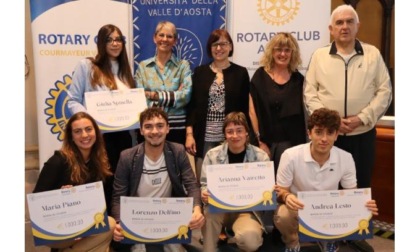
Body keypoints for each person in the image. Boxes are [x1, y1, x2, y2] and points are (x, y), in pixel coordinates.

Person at [303, 5, 392, 251]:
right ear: (331, 29)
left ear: (357, 26)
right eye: (339, 23)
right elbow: (310, 94)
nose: (344, 27)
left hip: (362, 134)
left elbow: (384, 92)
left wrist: (363, 118)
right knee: (326, 183)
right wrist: (331, 121)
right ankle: (325, 233)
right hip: (328, 137)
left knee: (360, 183)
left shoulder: (372, 54)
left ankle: (356, 234)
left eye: (349, 22)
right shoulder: (319, 56)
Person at [272, 108, 379, 252]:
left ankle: (327, 239)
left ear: (336, 135)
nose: (324, 139)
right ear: (309, 133)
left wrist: (363, 205)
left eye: (330, 133)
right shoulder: (290, 155)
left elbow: (350, 195)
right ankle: (292, 242)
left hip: (329, 210)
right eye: (318, 132)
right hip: (299, 207)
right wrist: (286, 196)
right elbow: (280, 191)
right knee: (282, 214)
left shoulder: (346, 158)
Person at [111, 107, 205, 252]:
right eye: (148, 127)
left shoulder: (178, 151)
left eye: (160, 126)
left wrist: (197, 210)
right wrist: (118, 222)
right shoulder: (127, 157)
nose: (154, 131)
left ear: (168, 128)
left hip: (169, 216)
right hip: (139, 217)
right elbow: (118, 197)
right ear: (141, 130)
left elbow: (192, 185)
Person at [33, 112, 116, 252]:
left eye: (88, 129)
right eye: (78, 131)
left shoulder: (99, 161)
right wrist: (59, 196)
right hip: (59, 230)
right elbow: (37, 200)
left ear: (96, 131)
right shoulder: (57, 161)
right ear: (71, 137)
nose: (84, 135)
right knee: (109, 226)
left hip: (85, 226)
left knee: (109, 228)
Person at [67, 24, 136, 175]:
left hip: (125, 138)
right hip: (100, 137)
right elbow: (72, 101)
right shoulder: (87, 66)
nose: (115, 43)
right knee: (103, 184)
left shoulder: (126, 71)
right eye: (109, 40)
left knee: (123, 184)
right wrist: (90, 123)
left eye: (118, 39)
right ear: (101, 43)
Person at [186, 29, 252, 183]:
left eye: (223, 44)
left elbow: (245, 109)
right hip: (205, 138)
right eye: (215, 44)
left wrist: (246, 136)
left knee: (231, 182)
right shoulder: (200, 72)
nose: (219, 48)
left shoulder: (241, 73)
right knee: (205, 183)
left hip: (231, 137)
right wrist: (189, 134)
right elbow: (192, 106)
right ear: (210, 48)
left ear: (230, 47)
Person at [200, 112, 270, 252]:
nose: (235, 136)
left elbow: (267, 189)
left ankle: (237, 232)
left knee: (250, 242)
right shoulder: (212, 155)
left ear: (246, 133)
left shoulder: (261, 157)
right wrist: (204, 193)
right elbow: (204, 184)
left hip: (247, 211)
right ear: (225, 134)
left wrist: (268, 191)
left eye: (239, 131)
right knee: (209, 212)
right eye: (230, 131)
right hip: (219, 209)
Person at [249, 32, 307, 174]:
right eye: (278, 49)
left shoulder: (299, 80)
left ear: (293, 53)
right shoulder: (260, 76)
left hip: (293, 146)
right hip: (265, 144)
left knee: (287, 188)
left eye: (287, 50)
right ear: (271, 52)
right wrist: (259, 142)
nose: (283, 54)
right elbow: (252, 111)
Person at [135, 21, 192, 145]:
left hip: (176, 128)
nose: (165, 39)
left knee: (175, 163)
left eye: (169, 36)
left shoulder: (183, 66)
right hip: (150, 129)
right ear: (154, 38)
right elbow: (140, 98)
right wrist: (173, 95)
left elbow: (185, 96)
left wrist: (153, 95)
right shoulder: (143, 66)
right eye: (161, 35)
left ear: (175, 41)